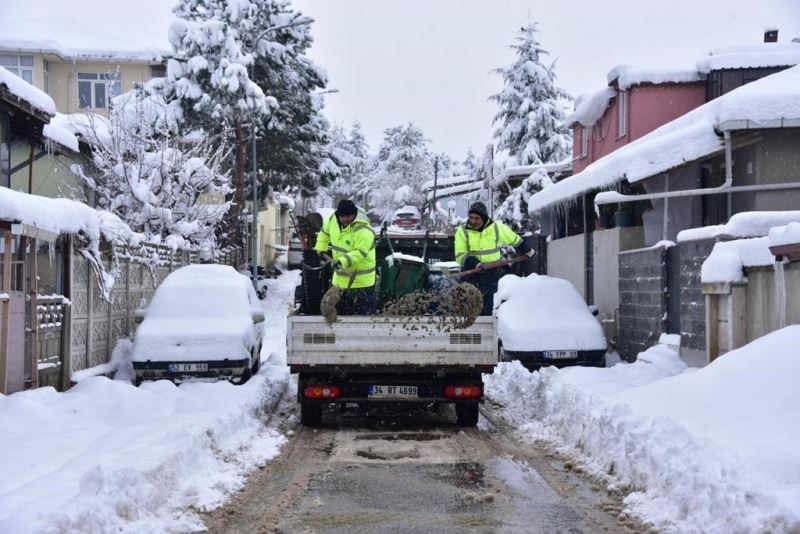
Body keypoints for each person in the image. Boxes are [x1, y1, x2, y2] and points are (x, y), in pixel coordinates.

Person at [454, 201, 534, 315]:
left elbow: (514, 239)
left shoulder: (497, 228)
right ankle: (470, 332)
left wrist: (527, 250)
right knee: (470, 310)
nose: (473, 221)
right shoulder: (462, 231)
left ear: (484, 217)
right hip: (470, 274)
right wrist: (476, 263)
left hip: (490, 274)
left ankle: (485, 332)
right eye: (471, 217)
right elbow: (460, 255)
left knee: (486, 309)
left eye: (477, 218)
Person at [315, 199, 377, 315]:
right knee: (341, 315)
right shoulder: (333, 219)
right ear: (338, 215)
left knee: (364, 317)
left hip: (362, 282)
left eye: (349, 216)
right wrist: (321, 248)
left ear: (355, 214)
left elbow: (360, 252)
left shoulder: (364, 229)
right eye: (343, 217)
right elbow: (324, 232)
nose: (345, 219)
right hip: (340, 280)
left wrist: (342, 261)